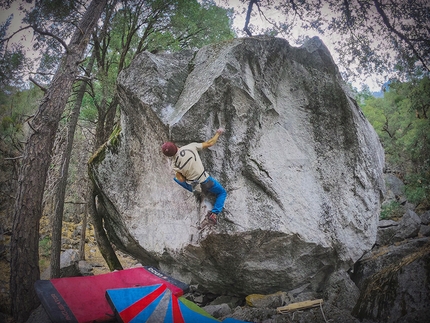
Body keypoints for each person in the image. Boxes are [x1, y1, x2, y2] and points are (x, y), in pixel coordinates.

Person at [161, 128, 227, 225]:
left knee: (176, 179)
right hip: (206, 181)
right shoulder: (190, 147)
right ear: (175, 145)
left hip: (196, 187)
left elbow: (181, 179)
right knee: (222, 193)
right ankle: (214, 213)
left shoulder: (174, 165)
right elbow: (210, 143)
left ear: (168, 156)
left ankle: (199, 194)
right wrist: (218, 133)